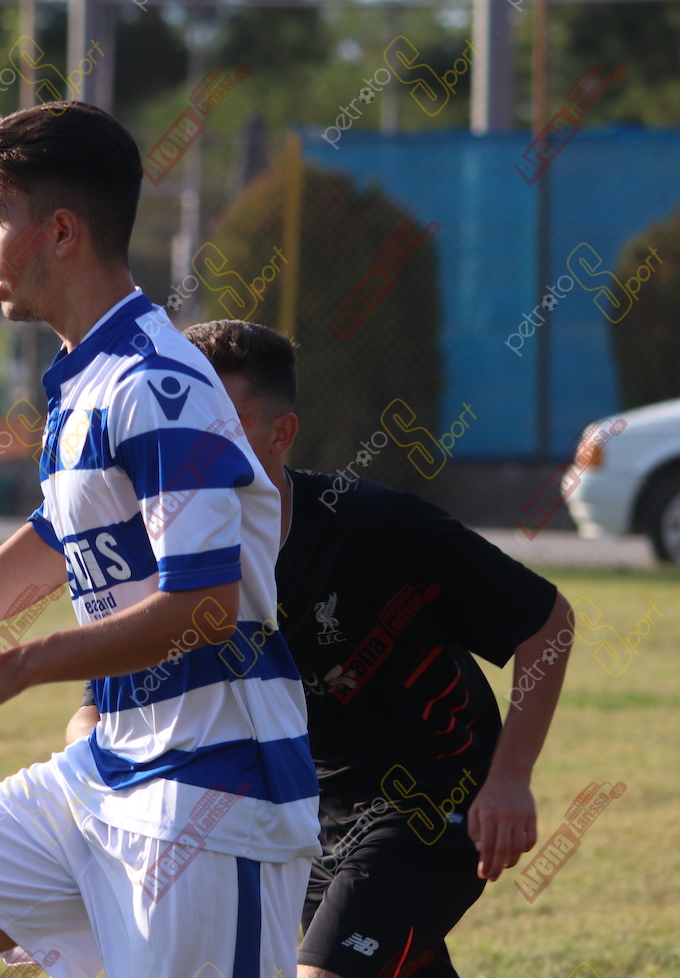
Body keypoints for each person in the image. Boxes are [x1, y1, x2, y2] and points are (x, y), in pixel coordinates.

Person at [0, 100, 319, 978]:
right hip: (105, 767)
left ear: (59, 232)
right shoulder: (86, 379)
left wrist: (15, 667)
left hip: (212, 792)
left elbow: (204, 607)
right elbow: (57, 540)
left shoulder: (156, 385)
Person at [66, 319, 575, 978]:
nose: (189, 445)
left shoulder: (373, 525)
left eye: (217, 424)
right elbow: (100, 709)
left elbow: (547, 623)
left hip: (430, 793)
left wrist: (510, 779)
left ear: (281, 434)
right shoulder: (167, 558)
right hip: (302, 817)